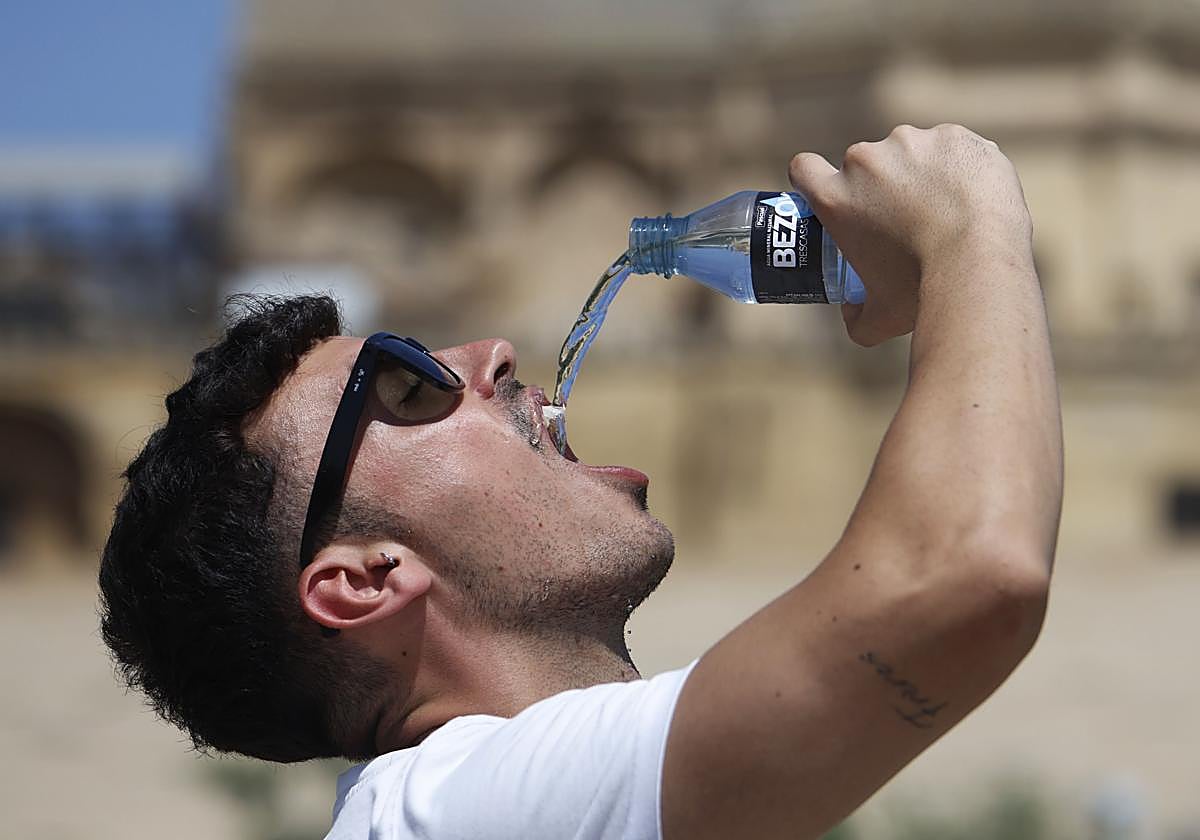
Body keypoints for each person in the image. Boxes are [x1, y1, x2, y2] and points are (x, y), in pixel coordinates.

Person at [99, 124, 1063, 840]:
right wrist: (971, 226)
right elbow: (963, 579)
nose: (491, 353)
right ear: (364, 579)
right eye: (407, 382)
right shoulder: (447, 811)